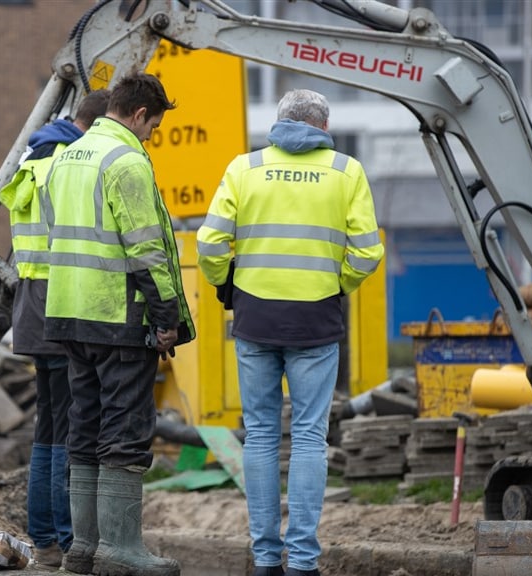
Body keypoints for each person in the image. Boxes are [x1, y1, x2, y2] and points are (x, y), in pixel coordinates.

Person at [196, 88, 384, 576]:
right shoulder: (346, 171)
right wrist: (336, 285)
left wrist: (227, 285)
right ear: (324, 127)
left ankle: (265, 560)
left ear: (279, 123)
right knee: (308, 437)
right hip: (315, 321)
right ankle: (302, 561)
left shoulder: (245, 168)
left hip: (255, 317)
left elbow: (209, 243)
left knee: (259, 435)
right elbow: (367, 252)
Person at [41, 72, 195, 576]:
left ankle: (83, 548)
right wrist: (166, 317)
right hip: (117, 315)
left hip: (69, 312)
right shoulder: (125, 160)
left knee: (84, 427)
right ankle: (120, 547)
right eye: (153, 126)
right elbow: (146, 249)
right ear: (139, 114)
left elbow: (55, 231)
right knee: (125, 429)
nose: (151, 136)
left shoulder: (66, 156)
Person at [0, 88, 111, 569]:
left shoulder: (33, 160)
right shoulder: (68, 164)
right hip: (62, 302)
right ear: (97, 125)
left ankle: (45, 539)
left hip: (31, 302)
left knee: (49, 425)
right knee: (69, 427)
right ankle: (66, 540)